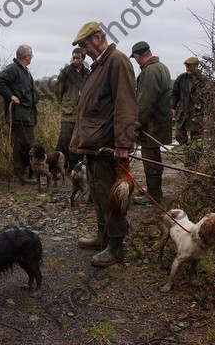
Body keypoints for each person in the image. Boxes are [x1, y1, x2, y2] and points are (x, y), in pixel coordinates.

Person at [70, 22, 137, 267]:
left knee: (113, 195)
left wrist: (123, 145)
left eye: (85, 44)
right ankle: (102, 236)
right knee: (99, 193)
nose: (83, 50)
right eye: (81, 47)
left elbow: (126, 106)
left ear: (98, 37)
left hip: (109, 145)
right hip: (94, 144)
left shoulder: (117, 61)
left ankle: (115, 246)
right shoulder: (99, 65)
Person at [129, 41, 172, 206]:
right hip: (160, 123)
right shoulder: (162, 66)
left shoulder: (149, 71)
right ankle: (154, 191)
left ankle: (154, 196)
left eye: (135, 58)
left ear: (139, 55)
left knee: (150, 159)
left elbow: (145, 102)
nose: (136, 61)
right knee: (155, 157)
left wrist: (137, 124)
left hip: (152, 125)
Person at [0, 44, 39, 184]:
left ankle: (29, 172)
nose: (31, 58)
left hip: (27, 116)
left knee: (29, 145)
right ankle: (20, 174)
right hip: (18, 116)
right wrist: (11, 96)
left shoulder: (25, 71)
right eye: (31, 55)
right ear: (26, 56)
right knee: (21, 146)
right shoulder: (12, 69)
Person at [54, 47, 90, 172]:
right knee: (65, 139)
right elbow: (58, 90)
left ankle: (74, 167)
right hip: (68, 112)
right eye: (73, 57)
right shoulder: (65, 72)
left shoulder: (87, 73)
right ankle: (60, 167)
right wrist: (66, 102)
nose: (75, 60)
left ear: (83, 58)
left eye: (78, 58)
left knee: (79, 141)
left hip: (82, 113)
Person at [171, 56, 209, 168]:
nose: (187, 68)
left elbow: (209, 98)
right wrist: (172, 107)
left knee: (196, 140)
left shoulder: (203, 80)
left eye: (190, 66)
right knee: (178, 134)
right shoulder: (181, 79)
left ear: (196, 67)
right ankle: (190, 155)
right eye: (186, 66)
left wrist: (207, 113)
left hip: (197, 115)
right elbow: (175, 94)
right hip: (183, 113)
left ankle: (193, 165)